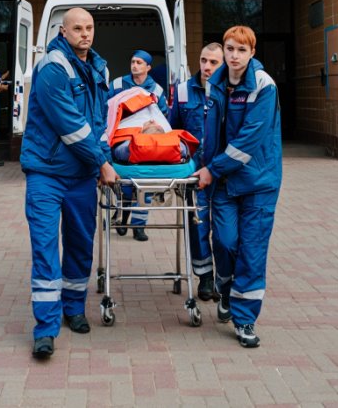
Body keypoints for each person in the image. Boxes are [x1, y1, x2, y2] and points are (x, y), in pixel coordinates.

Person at [21, 8, 118, 360]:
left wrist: (104, 157)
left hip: (81, 176)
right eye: (77, 28)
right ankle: (45, 329)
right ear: (63, 32)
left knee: (80, 244)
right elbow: (71, 126)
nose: (85, 34)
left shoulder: (99, 68)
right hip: (46, 174)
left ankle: (73, 308)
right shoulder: (52, 67)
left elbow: (100, 123)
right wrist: (103, 163)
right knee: (45, 249)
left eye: (89, 27)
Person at [196, 26, 282, 349]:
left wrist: (211, 169)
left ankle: (244, 319)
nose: (234, 56)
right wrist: (201, 164)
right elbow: (211, 133)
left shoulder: (263, 85)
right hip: (223, 182)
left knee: (252, 250)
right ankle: (226, 288)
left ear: (252, 53)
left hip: (258, 182)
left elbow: (249, 140)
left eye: (241, 50)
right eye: (230, 49)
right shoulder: (215, 83)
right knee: (225, 242)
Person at [168, 43, 223, 302]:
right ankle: (205, 276)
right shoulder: (182, 91)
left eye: (213, 62)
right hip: (194, 173)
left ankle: (224, 276)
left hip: (222, 171)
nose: (207, 67)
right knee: (197, 224)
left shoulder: (228, 91)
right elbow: (173, 131)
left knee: (223, 228)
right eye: (203, 60)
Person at [109, 50, 167, 241]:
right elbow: (106, 107)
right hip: (123, 138)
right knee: (124, 183)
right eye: (133, 61)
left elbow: (164, 115)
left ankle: (138, 226)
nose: (135, 65)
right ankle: (122, 217)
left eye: (139, 63)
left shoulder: (156, 90)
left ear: (148, 67)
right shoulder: (118, 84)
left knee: (145, 184)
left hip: (147, 141)